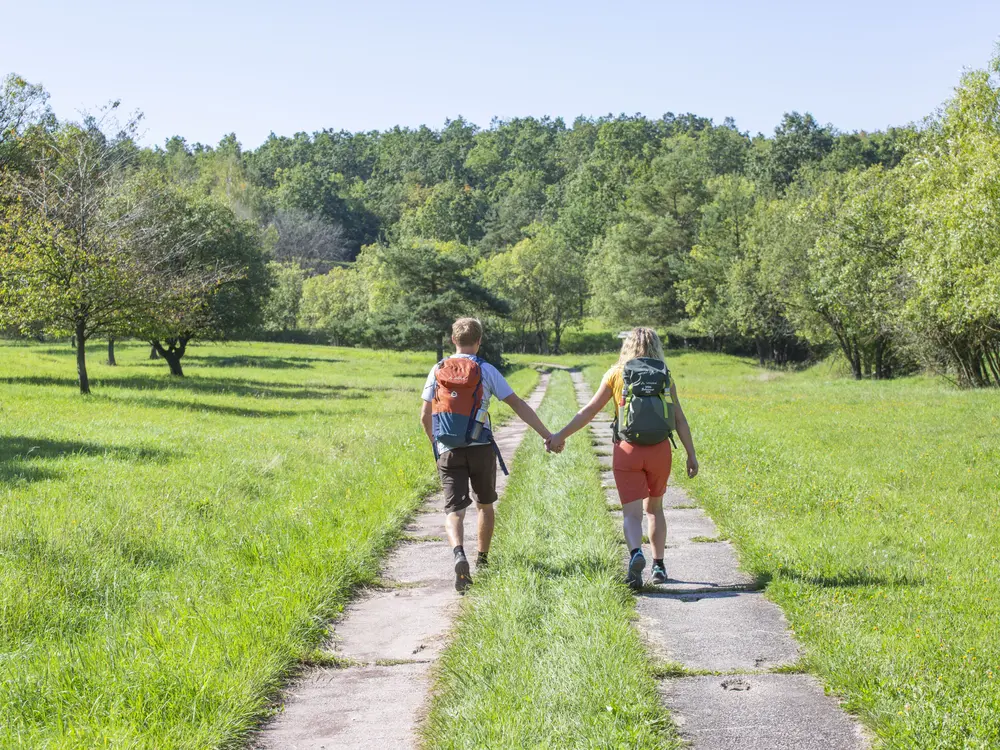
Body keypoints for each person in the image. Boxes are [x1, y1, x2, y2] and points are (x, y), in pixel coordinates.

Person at [546, 327, 698, 589]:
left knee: (631, 514)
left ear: (627, 346)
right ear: (656, 347)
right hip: (660, 450)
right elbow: (679, 419)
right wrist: (691, 454)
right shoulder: (664, 375)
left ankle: (635, 554)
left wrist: (560, 434)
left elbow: (589, 411)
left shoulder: (616, 374)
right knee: (655, 509)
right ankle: (659, 565)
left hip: (627, 450)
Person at [421, 317, 552, 592]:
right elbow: (517, 404)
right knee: (485, 505)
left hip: (449, 450)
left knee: (454, 511)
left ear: (453, 340)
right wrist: (546, 434)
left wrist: (438, 446)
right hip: (480, 448)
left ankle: (459, 554)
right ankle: (483, 560)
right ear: (479, 341)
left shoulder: (437, 369)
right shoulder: (486, 369)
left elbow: (424, 415)